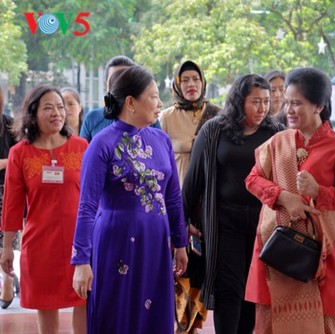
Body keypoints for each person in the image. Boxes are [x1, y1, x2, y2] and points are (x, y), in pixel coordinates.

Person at [71, 65, 188, 333]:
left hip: (155, 242)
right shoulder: (101, 144)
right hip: (115, 241)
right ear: (131, 102)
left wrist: (180, 243)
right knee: (116, 313)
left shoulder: (161, 140)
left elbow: (172, 196)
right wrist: (81, 261)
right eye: (154, 96)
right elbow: (87, 206)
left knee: (154, 315)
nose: (160, 103)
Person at [244, 67, 335, 333]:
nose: (289, 110)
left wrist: (319, 191)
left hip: (318, 252)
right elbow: (252, 179)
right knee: (269, 318)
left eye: (296, 103)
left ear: (319, 105)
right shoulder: (278, 141)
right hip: (275, 247)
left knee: (323, 319)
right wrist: (284, 197)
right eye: (287, 103)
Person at [182, 74, 282, 334]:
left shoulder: (275, 132)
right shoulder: (214, 129)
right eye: (256, 101)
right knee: (230, 290)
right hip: (224, 223)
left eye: (267, 102)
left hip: (263, 226)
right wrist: (180, 224)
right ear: (240, 101)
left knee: (253, 291)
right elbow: (193, 181)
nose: (262, 108)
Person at [0, 86, 88, 333]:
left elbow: (94, 198)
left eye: (60, 107)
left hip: (79, 242)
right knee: (46, 303)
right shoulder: (19, 153)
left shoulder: (82, 147)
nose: (57, 113)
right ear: (33, 113)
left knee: (84, 299)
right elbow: (12, 205)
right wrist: (8, 247)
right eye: (48, 108)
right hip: (40, 244)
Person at [160, 60, 220, 333]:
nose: (191, 84)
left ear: (203, 81)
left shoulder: (217, 115)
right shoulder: (166, 118)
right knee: (177, 263)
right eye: (185, 80)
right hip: (174, 198)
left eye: (195, 78)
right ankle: (179, 321)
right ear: (177, 84)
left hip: (206, 201)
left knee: (201, 263)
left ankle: (194, 323)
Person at [79, 55, 161, 142]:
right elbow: (82, 152)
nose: (119, 85)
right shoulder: (93, 119)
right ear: (106, 84)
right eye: (115, 80)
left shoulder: (149, 119)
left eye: (125, 81)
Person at [0, 89, 20, 310]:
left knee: (6, 238)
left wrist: (4, 163)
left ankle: (7, 280)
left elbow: (19, 154)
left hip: (6, 188)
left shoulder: (10, 125)